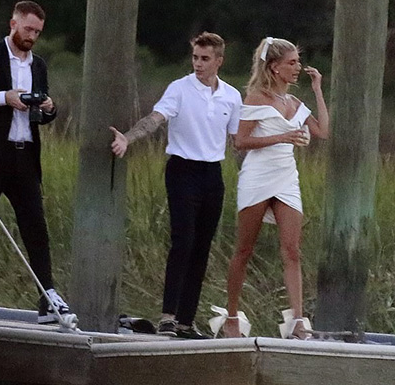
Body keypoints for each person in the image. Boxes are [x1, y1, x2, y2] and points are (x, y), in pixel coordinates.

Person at [110, 32, 242, 339]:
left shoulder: (232, 96)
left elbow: (238, 144)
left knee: (201, 248)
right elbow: (155, 119)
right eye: (195, 57)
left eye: (205, 59)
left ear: (218, 61)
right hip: (182, 170)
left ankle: (186, 320)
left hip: (212, 174)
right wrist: (127, 138)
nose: (198, 64)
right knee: (183, 241)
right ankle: (168, 315)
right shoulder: (180, 89)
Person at [0, 1, 70, 324]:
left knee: (36, 226)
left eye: (37, 32)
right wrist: (3, 97)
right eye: (27, 29)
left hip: (25, 154)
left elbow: (40, 113)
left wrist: (48, 109)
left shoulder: (39, 66)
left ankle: (47, 293)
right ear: (13, 24)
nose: (31, 36)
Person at [223, 37, 329, 339]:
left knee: (292, 250)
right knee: (244, 249)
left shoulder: (295, 104)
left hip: (286, 177)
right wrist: (281, 138)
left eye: (298, 62)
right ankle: (232, 316)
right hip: (258, 175)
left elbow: (322, 131)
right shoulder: (256, 98)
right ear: (274, 66)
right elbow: (241, 141)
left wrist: (318, 90)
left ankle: (297, 321)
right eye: (291, 63)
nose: (297, 68)